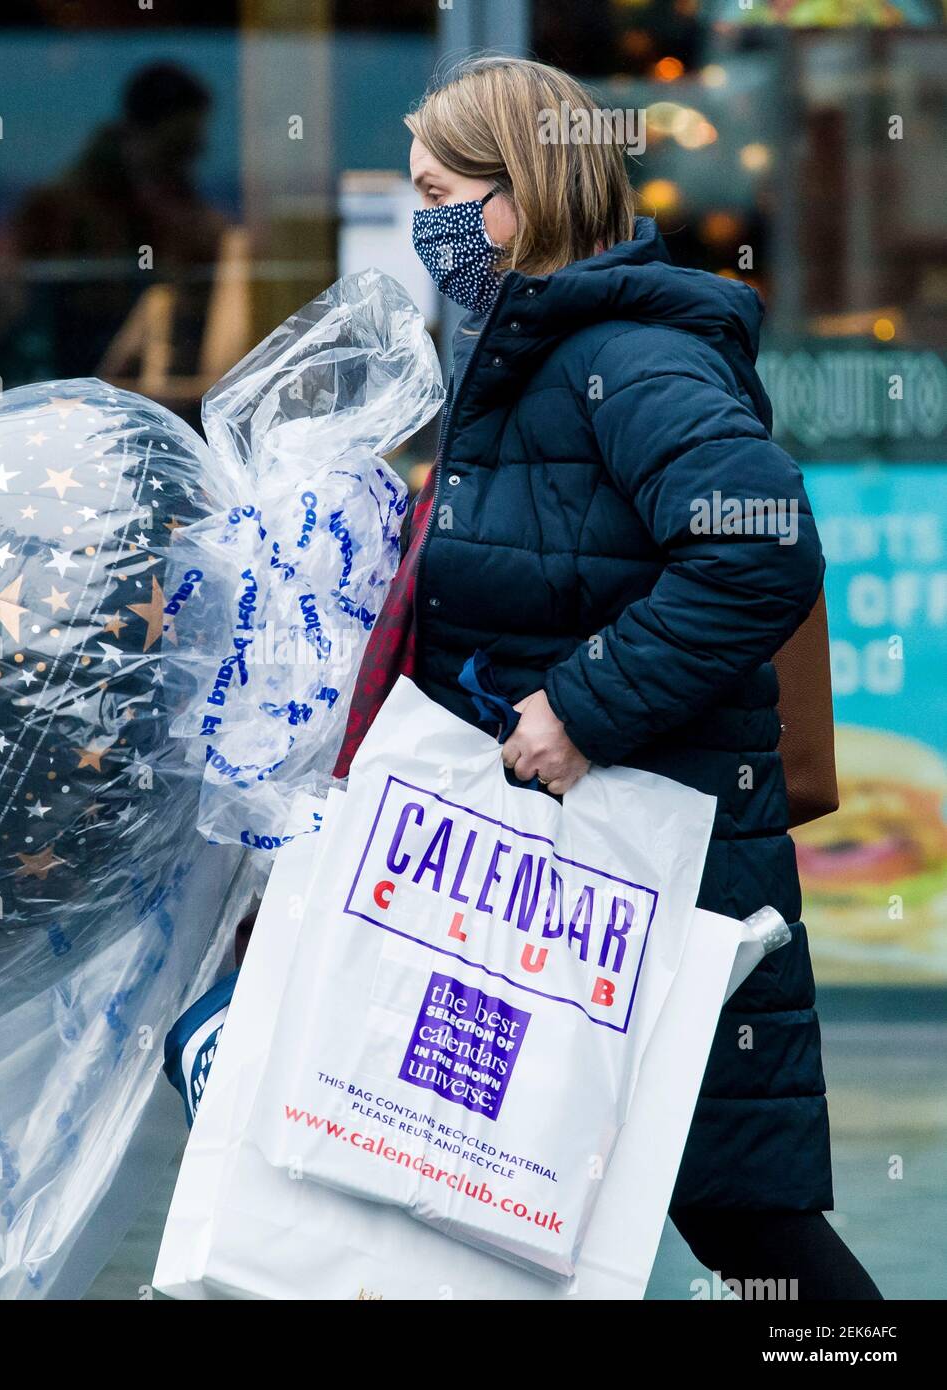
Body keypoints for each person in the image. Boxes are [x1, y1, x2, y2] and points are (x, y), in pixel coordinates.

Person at [331, 55, 881, 1300]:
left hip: (648, 859)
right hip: (566, 871)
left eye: (436, 189)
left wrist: (583, 706)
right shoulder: (532, 345)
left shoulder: (626, 354)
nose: (422, 222)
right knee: (533, 1198)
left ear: (516, 190)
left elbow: (758, 544)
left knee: (748, 1228)